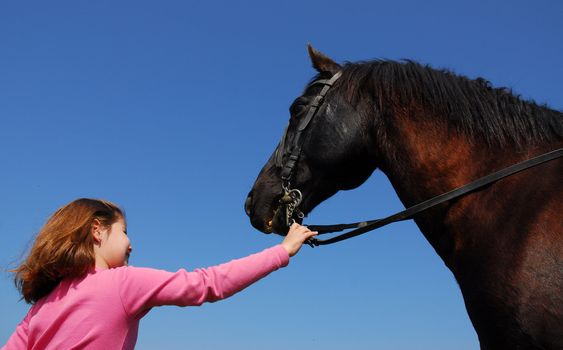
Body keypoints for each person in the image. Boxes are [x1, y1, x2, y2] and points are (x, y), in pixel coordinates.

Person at [2, 198, 317, 350]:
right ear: (97, 231)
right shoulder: (123, 283)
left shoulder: (41, 307)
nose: (130, 244)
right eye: (124, 232)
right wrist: (282, 251)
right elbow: (207, 284)